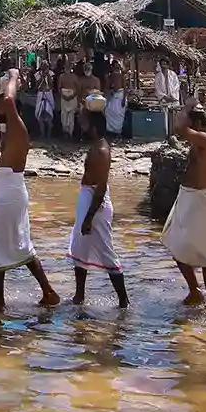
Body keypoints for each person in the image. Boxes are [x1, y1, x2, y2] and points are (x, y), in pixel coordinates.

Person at [0, 77, 58, 311]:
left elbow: (7, 98)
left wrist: (13, 77)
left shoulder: (17, 129)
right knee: (21, 244)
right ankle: (48, 292)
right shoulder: (11, 131)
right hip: (10, 195)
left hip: (10, 196)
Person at [70, 82, 127, 307]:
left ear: (93, 126)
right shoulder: (96, 145)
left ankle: (124, 301)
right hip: (89, 198)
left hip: (96, 203)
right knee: (79, 249)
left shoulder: (101, 151)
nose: (80, 122)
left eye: (84, 120)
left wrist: (89, 217)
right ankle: (79, 296)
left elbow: (101, 187)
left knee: (106, 252)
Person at [104, 64, 127, 137]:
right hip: (112, 97)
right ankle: (110, 131)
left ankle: (118, 131)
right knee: (108, 111)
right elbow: (106, 88)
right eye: (115, 68)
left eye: (117, 68)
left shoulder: (122, 77)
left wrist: (123, 99)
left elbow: (125, 88)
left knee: (119, 114)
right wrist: (110, 91)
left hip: (120, 96)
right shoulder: (110, 77)